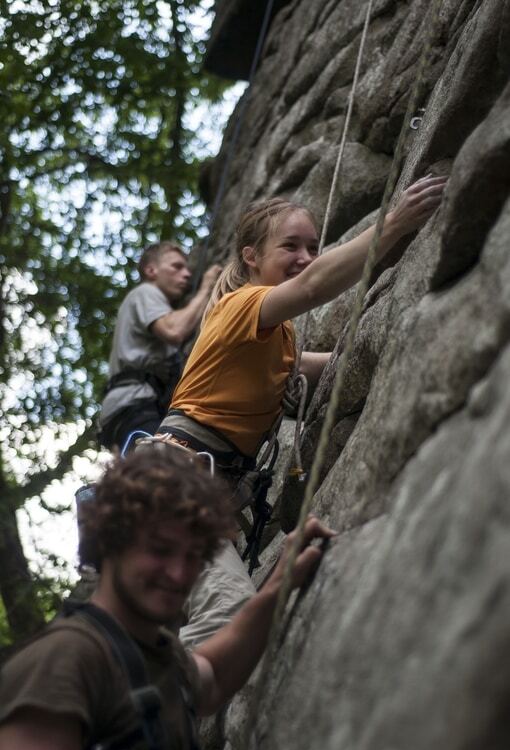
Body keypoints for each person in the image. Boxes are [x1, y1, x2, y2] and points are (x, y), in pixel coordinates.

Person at [151, 176, 447, 641]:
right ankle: (169, 708)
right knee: (226, 618)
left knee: (196, 629)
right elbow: (312, 287)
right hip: (178, 478)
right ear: (251, 256)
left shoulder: (277, 335)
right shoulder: (239, 306)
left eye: (312, 246)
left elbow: (323, 366)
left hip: (187, 483)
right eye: (290, 246)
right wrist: (395, 223)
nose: (305, 258)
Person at [0, 447, 334, 750]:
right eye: (160, 550)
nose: (179, 573)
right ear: (110, 540)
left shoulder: (155, 655)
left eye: (193, 556)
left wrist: (279, 582)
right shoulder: (63, 663)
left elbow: (213, 676)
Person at [98, 241, 221, 452]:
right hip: (134, 405)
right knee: (162, 467)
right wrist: (207, 287)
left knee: (152, 476)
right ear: (151, 270)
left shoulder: (150, 304)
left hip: (132, 408)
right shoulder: (146, 292)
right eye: (176, 267)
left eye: (187, 269)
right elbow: (174, 330)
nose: (186, 274)